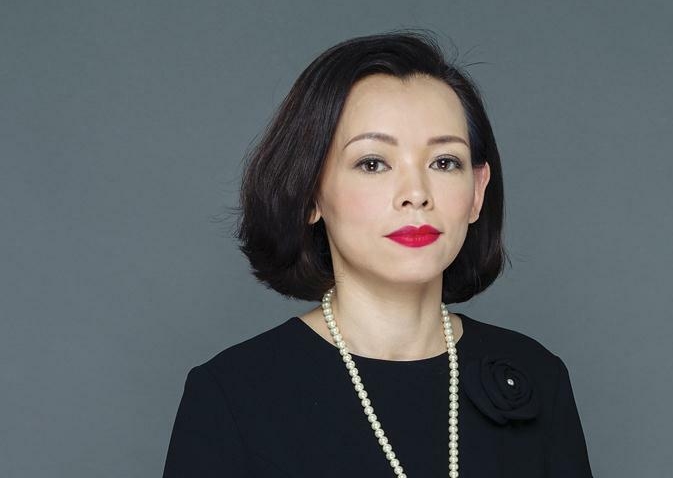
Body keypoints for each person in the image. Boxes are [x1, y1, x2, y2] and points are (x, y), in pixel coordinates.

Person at [162, 30, 594, 477]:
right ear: (309, 194)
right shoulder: (232, 394)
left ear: (477, 192)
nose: (416, 194)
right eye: (373, 163)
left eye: (444, 162)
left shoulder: (539, 375)